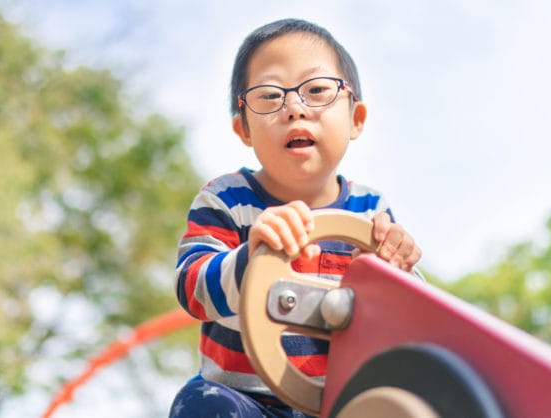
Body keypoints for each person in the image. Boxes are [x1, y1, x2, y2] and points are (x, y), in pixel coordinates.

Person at [170, 18, 422, 418]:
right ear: (244, 129)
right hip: (243, 400)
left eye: (317, 90)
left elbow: (405, 318)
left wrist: (403, 267)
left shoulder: (370, 209)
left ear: (356, 118)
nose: (294, 108)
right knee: (201, 404)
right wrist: (249, 259)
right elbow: (191, 286)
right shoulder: (226, 199)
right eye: (269, 96)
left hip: (334, 403)